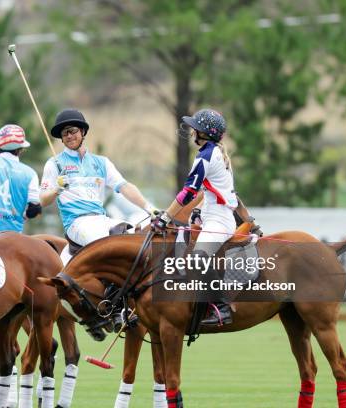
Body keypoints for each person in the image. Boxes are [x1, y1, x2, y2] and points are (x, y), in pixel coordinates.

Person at [152, 109, 237, 326]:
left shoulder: (206, 156)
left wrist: (165, 217)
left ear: (204, 133)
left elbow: (188, 192)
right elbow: (208, 192)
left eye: (195, 129)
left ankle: (222, 307)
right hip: (209, 215)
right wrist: (197, 211)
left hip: (220, 220)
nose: (191, 132)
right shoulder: (213, 151)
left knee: (199, 258)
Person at [40, 109, 157, 254]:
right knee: (107, 245)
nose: (69, 136)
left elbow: (124, 186)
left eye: (72, 131)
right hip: (76, 223)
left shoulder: (102, 162)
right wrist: (56, 189)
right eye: (65, 133)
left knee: (133, 238)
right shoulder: (54, 164)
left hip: (101, 219)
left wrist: (150, 208)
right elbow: (42, 200)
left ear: (83, 131)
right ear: (61, 138)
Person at [0, 124, 41, 233]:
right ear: (21, 149)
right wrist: (23, 216)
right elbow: (34, 209)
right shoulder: (31, 173)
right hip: (14, 233)